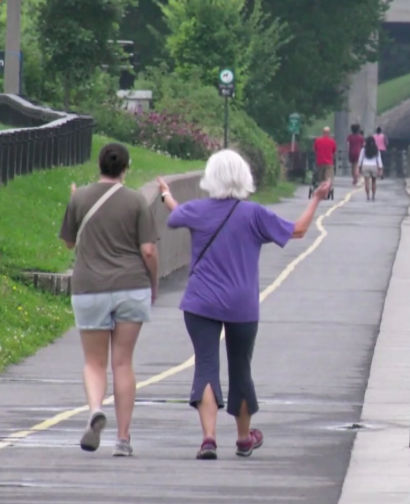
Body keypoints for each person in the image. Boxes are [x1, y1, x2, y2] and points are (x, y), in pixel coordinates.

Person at [156, 150, 330, 460]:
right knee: (241, 369)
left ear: (211, 177)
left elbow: (176, 214)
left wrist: (167, 196)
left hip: (201, 303)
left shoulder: (197, 210)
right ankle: (243, 438)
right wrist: (315, 199)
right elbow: (299, 230)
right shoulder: (254, 214)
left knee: (206, 365)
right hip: (242, 305)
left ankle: (208, 438)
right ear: (244, 177)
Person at [59, 143, 159, 457]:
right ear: (125, 168)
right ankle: (123, 439)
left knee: (94, 362)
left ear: (100, 165)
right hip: (131, 286)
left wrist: (74, 200)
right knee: (123, 362)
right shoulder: (137, 201)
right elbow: (148, 250)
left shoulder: (80, 197)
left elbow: (68, 243)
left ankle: (94, 411)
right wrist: (152, 284)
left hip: (89, 287)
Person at [359, 134, 383, 201]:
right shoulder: (376, 150)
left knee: (367, 182)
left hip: (365, 165)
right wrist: (380, 168)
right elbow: (379, 159)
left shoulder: (364, 149)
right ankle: (373, 196)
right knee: (374, 182)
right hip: (374, 166)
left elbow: (360, 159)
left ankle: (367, 196)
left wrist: (359, 167)